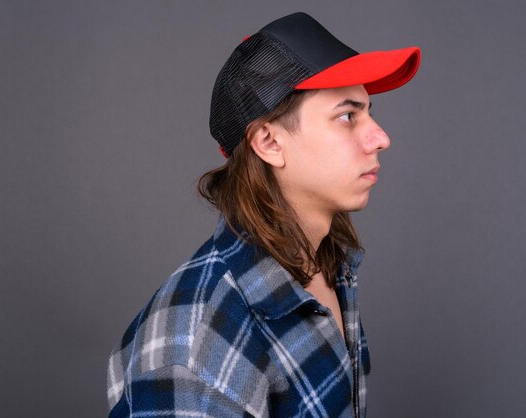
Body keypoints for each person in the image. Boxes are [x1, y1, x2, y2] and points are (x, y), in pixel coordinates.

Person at [107, 12, 420, 418]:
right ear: (270, 142)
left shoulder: (328, 267)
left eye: (369, 112)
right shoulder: (195, 346)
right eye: (347, 116)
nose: (380, 137)